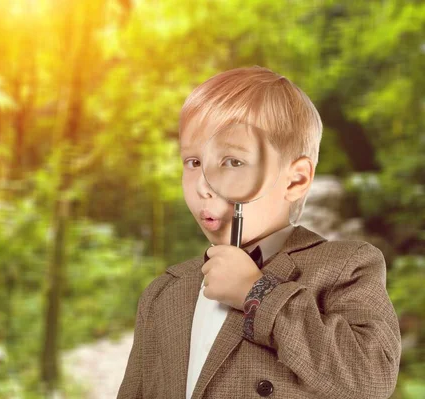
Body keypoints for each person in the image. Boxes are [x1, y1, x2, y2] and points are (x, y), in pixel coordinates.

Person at [117, 66, 401, 398]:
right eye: (193, 162)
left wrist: (259, 295)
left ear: (295, 180)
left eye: (233, 162)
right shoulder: (163, 294)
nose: (204, 186)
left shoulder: (346, 267)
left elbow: (371, 379)